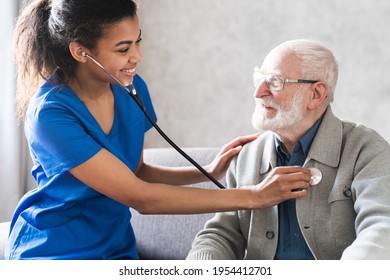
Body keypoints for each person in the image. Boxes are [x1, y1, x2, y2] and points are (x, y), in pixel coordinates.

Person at [5, 1, 313, 260]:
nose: (137, 56)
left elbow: (135, 171)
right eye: (123, 48)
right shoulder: (51, 114)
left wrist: (208, 171)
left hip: (116, 247)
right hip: (57, 251)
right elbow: (142, 198)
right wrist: (254, 197)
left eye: (138, 41)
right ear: (81, 52)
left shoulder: (131, 88)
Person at [186, 39, 390, 260]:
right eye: (260, 79)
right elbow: (222, 234)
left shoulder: (366, 148)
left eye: (275, 81)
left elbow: (381, 229)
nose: (258, 92)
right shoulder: (245, 155)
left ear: (315, 94)